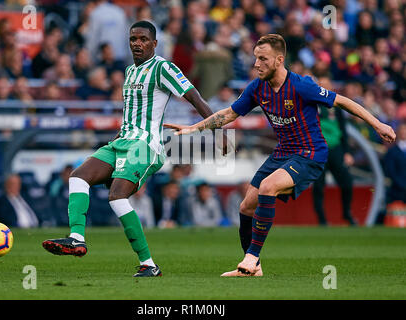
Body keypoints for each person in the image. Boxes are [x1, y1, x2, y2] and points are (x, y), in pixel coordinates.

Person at [164, 34, 396, 277]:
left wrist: (377, 124)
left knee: (268, 187)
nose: (256, 64)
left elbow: (343, 101)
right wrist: (193, 128)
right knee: (246, 206)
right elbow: (229, 113)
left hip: (310, 154)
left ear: (279, 59)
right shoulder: (257, 88)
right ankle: (253, 267)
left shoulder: (301, 85)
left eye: (262, 59)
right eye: (255, 58)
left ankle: (252, 257)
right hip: (282, 153)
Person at [42, 21, 217, 277]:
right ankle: (77, 238)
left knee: (117, 196)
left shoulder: (163, 67)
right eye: (133, 38)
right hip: (122, 141)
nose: (137, 43)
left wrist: (217, 127)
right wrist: (116, 139)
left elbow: (194, 97)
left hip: (146, 145)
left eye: (143, 39)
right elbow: (131, 114)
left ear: (154, 43)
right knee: (78, 177)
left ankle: (149, 264)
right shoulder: (129, 72)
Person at [312, 77, 357, 226]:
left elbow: (343, 130)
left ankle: (347, 213)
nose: (324, 88)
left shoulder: (336, 106)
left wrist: (347, 152)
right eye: (322, 85)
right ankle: (322, 219)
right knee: (318, 186)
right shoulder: (312, 104)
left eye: (327, 85)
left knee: (347, 182)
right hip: (318, 150)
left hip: (336, 150)